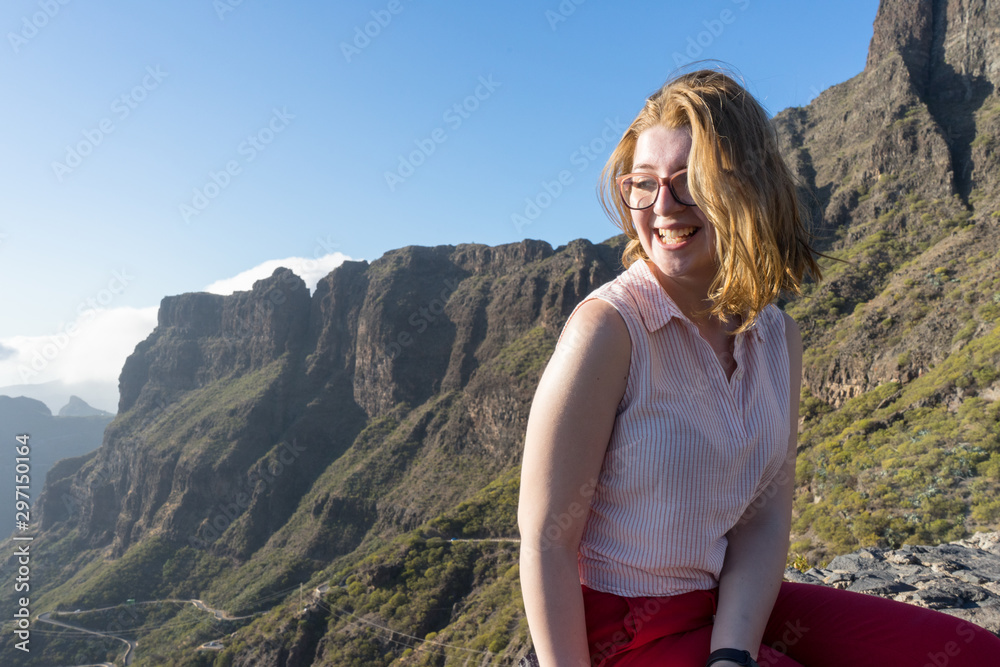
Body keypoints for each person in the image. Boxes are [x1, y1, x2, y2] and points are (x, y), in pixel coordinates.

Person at [517, 69, 1000, 667]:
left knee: (976, 655)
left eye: (690, 180)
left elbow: (763, 516)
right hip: (620, 631)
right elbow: (546, 541)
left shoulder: (777, 336)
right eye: (644, 184)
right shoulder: (610, 331)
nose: (663, 207)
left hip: (730, 605)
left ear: (747, 188)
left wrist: (733, 654)